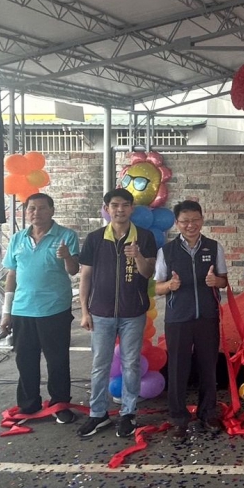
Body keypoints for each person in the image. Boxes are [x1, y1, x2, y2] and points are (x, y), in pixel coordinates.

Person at [77, 188, 157, 438]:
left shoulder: (144, 237)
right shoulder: (95, 238)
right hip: (100, 312)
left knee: (131, 364)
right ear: (107, 209)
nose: (120, 209)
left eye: (124, 205)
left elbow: (148, 273)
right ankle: (98, 414)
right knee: (99, 364)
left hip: (133, 313)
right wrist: (84, 311)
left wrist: (138, 256)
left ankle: (128, 413)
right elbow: (85, 276)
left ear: (132, 208)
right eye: (114, 205)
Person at [0, 193, 80, 424]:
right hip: (22, 309)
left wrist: (67, 256)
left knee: (57, 361)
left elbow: (74, 270)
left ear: (52, 210)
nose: (36, 213)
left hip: (54, 309)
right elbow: (12, 275)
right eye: (31, 208)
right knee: (25, 360)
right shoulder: (17, 238)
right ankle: (29, 405)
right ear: (26, 212)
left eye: (42, 208)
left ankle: (60, 404)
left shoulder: (66, 236)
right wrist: (7, 312)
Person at [154, 201, 228, 440]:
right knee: (178, 369)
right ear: (177, 223)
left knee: (208, 368)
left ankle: (208, 413)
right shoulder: (167, 251)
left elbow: (224, 280)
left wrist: (216, 282)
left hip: (207, 317)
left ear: (202, 220)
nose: (191, 225)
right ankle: (178, 418)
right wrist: (170, 285)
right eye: (185, 221)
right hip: (178, 318)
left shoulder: (214, 247)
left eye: (195, 220)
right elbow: (157, 287)